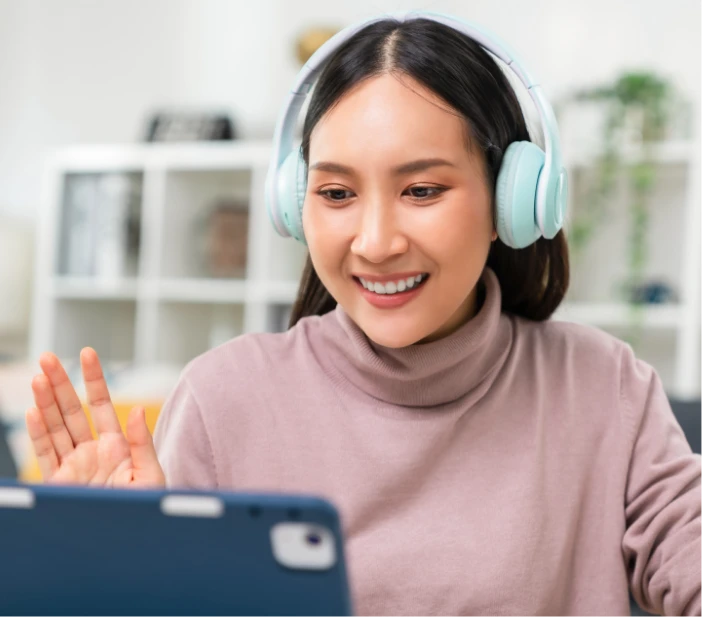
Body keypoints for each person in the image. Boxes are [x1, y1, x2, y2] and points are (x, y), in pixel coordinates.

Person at [24, 12, 702, 617]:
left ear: (513, 198)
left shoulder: (604, 388)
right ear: (297, 205)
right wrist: (106, 571)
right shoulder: (222, 399)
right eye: (337, 192)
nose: (375, 242)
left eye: (423, 189)